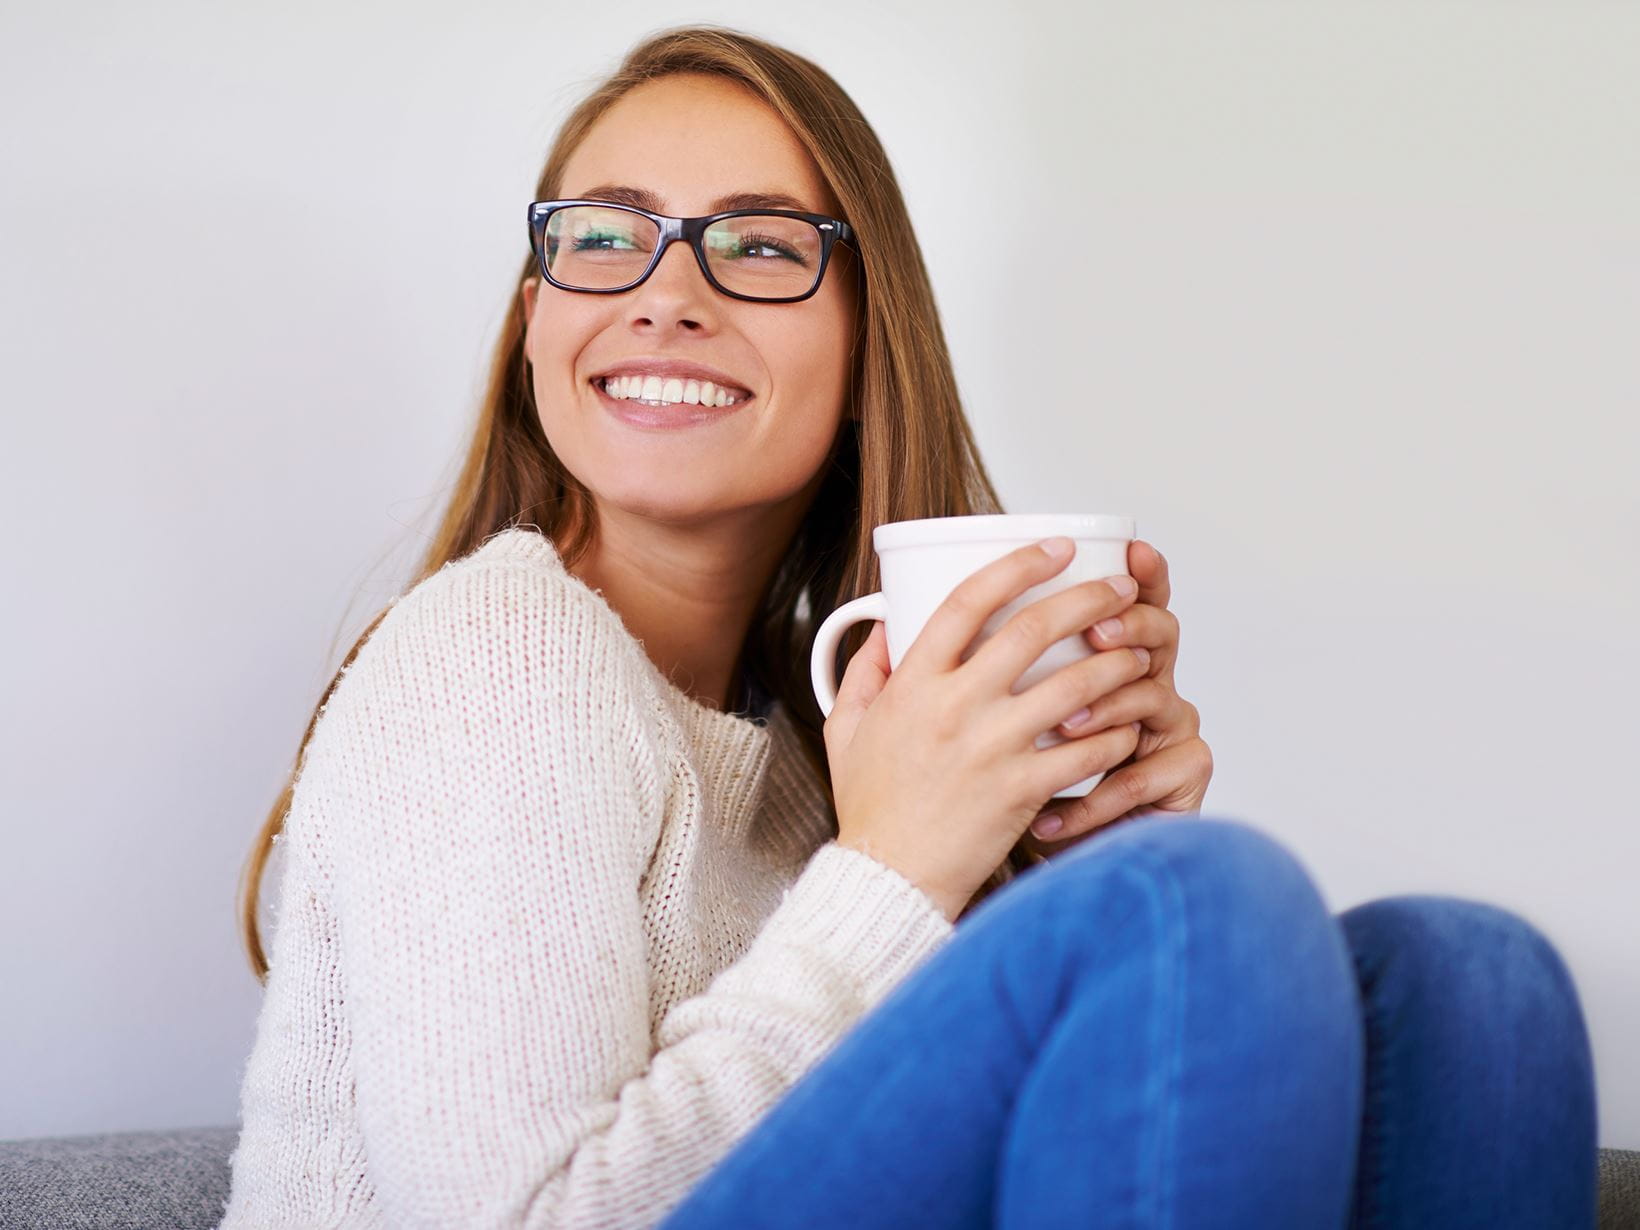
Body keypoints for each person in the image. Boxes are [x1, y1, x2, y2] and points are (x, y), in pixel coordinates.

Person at [220, 24, 1597, 1230]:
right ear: (538, 322)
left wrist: (1066, 864)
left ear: (870, 349)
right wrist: (903, 872)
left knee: (1474, 981)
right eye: (603, 234)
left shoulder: (822, 742)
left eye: (759, 245)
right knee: (1197, 906)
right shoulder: (498, 653)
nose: (666, 290)